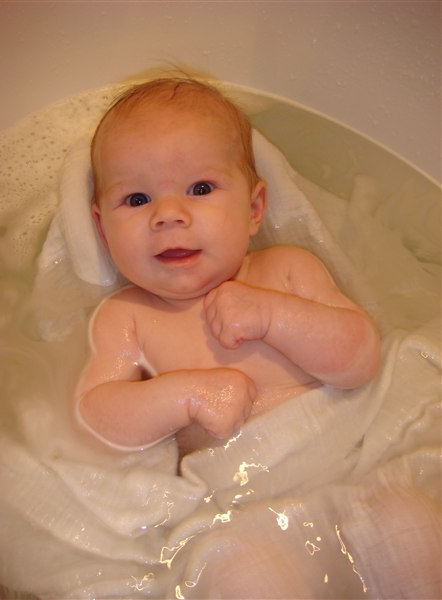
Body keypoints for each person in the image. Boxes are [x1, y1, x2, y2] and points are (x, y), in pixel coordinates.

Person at [75, 77, 381, 457]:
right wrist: (186, 397)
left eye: (200, 189)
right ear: (103, 229)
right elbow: (95, 421)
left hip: (346, 450)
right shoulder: (126, 318)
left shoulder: (285, 270)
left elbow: (363, 360)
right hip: (227, 486)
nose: (168, 215)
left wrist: (273, 316)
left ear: (253, 209)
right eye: (137, 199)